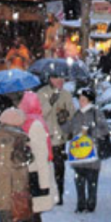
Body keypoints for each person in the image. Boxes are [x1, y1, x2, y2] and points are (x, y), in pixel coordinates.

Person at [19, 91, 54, 222]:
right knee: (26, 210)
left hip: (35, 173)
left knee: (34, 213)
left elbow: (41, 155)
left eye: (22, 103)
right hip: (27, 171)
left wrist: (44, 182)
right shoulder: (27, 122)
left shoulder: (35, 125)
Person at [66, 86, 110, 212]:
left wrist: (91, 131)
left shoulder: (96, 113)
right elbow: (69, 131)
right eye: (80, 99)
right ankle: (80, 204)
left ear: (90, 100)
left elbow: (104, 130)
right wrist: (62, 121)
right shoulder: (76, 114)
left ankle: (91, 204)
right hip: (78, 154)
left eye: (83, 99)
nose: (81, 101)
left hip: (92, 154)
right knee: (79, 181)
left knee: (92, 181)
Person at [37, 74, 76, 204]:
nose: (60, 81)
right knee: (45, 166)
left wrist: (66, 116)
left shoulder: (66, 94)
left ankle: (59, 193)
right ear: (50, 79)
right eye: (57, 78)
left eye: (62, 78)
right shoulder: (42, 93)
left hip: (59, 137)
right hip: (45, 136)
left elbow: (72, 113)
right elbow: (39, 113)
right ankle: (46, 192)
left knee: (59, 167)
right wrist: (50, 102)